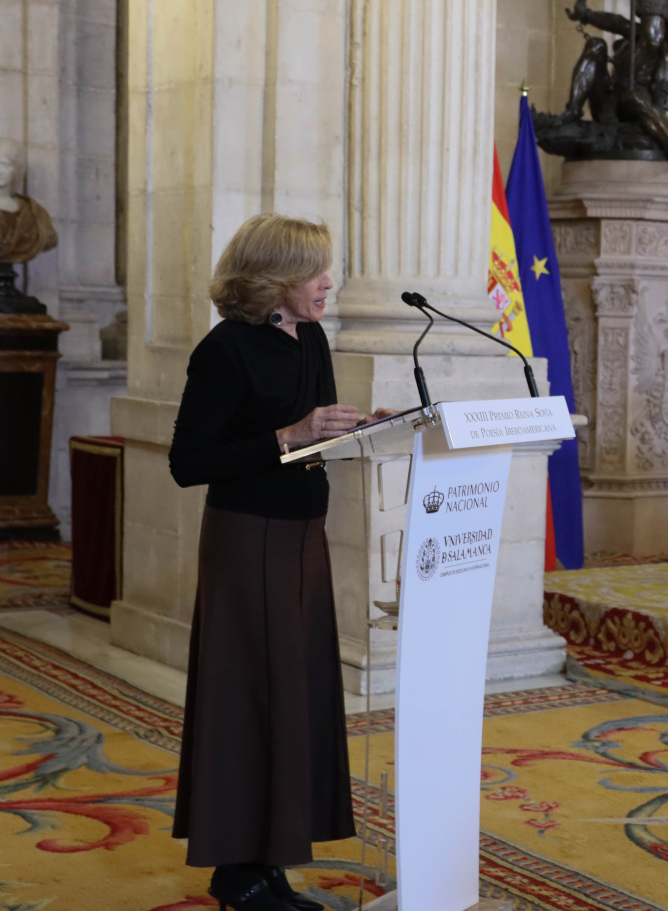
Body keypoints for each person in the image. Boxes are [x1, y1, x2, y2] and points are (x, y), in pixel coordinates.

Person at [168, 214, 398, 911]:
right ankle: (237, 871)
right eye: (313, 273)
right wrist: (287, 434)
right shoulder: (225, 350)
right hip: (247, 537)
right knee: (250, 697)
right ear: (272, 280)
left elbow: (309, 438)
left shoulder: (312, 337)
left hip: (303, 534)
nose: (328, 283)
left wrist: (360, 430)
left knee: (294, 696)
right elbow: (188, 463)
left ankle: (268, 861)